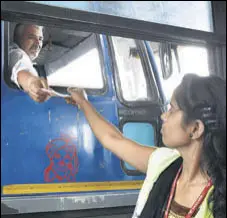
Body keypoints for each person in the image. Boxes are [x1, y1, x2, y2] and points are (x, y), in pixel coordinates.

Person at [65, 74, 226, 218]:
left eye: (172, 109)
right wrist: (82, 102)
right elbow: (112, 138)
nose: (164, 116)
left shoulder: (220, 197)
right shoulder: (163, 162)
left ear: (196, 128)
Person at [9, 23, 50, 103]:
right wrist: (32, 83)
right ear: (18, 39)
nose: (38, 43)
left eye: (40, 39)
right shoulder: (15, 53)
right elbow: (21, 67)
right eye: (31, 37)